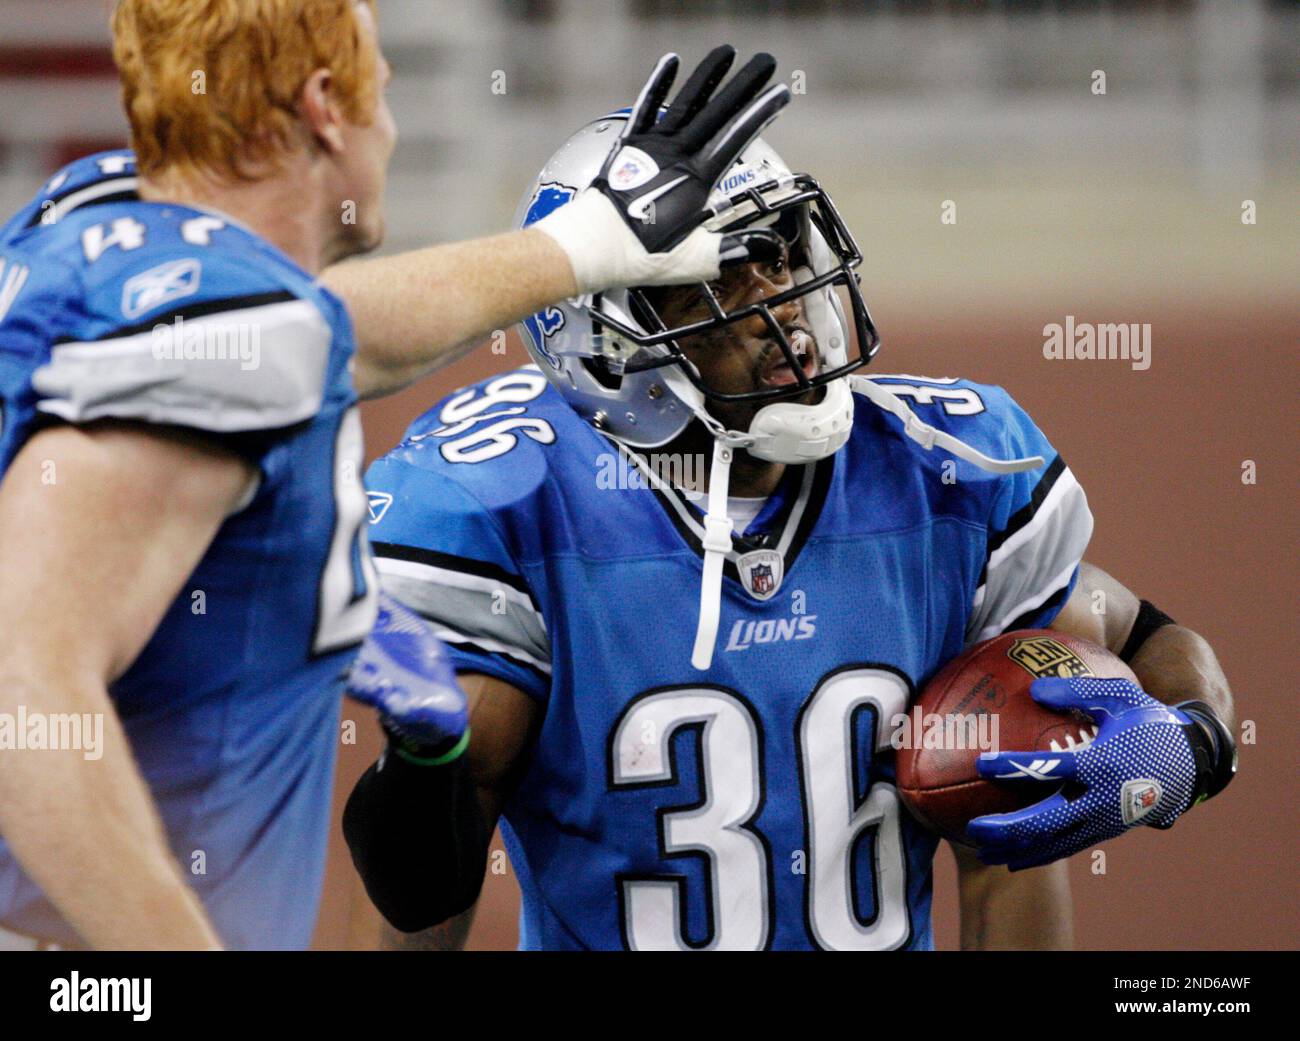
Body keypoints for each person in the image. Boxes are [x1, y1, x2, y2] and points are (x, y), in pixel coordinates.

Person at [343, 115, 1238, 950]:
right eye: (715, 277)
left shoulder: (940, 474)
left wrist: (1188, 743)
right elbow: (424, 894)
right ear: (607, 346)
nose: (778, 301)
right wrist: (425, 761)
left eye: (775, 253)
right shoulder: (518, 504)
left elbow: (1141, 639)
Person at [0, 0, 786, 949]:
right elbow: (22, 691)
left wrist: (585, 247)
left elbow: (324, 330)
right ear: (326, 106)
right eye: (384, 91)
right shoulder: (231, 343)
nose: (393, 126)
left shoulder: (94, 219)